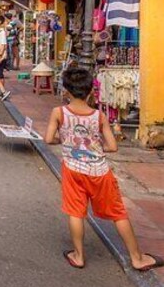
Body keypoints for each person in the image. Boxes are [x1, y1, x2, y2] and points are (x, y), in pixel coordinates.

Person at [45, 67, 163, 272]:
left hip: (73, 169)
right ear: (91, 91)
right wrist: (96, 149)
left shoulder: (58, 112)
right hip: (99, 171)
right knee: (118, 213)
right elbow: (113, 146)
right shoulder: (98, 116)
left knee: (76, 212)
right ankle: (137, 258)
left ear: (66, 91)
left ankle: (78, 255)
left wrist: (65, 141)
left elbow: (48, 139)